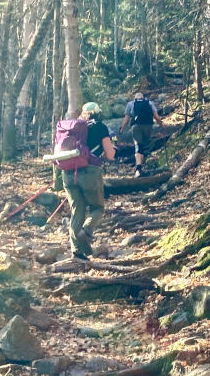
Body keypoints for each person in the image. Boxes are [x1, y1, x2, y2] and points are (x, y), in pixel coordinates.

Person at [57, 101, 115, 261]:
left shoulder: (73, 128)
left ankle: (78, 251)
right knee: (97, 208)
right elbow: (110, 155)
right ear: (98, 113)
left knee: (77, 211)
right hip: (89, 172)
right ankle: (87, 231)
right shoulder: (100, 127)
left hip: (68, 173)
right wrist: (112, 149)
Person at [122, 86, 163, 176]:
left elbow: (126, 119)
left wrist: (122, 128)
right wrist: (161, 124)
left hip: (136, 127)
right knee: (144, 145)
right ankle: (142, 165)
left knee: (138, 146)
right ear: (143, 97)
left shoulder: (131, 104)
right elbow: (156, 116)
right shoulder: (149, 103)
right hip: (148, 126)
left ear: (135, 98)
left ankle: (138, 169)